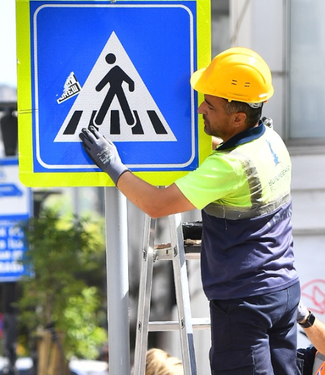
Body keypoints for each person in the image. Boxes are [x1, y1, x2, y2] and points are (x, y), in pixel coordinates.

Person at [80, 47, 300, 374]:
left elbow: (156, 204)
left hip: (245, 300)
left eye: (209, 105)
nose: (199, 109)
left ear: (239, 116)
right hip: (283, 290)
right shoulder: (271, 141)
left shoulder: (229, 166)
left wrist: (114, 167)